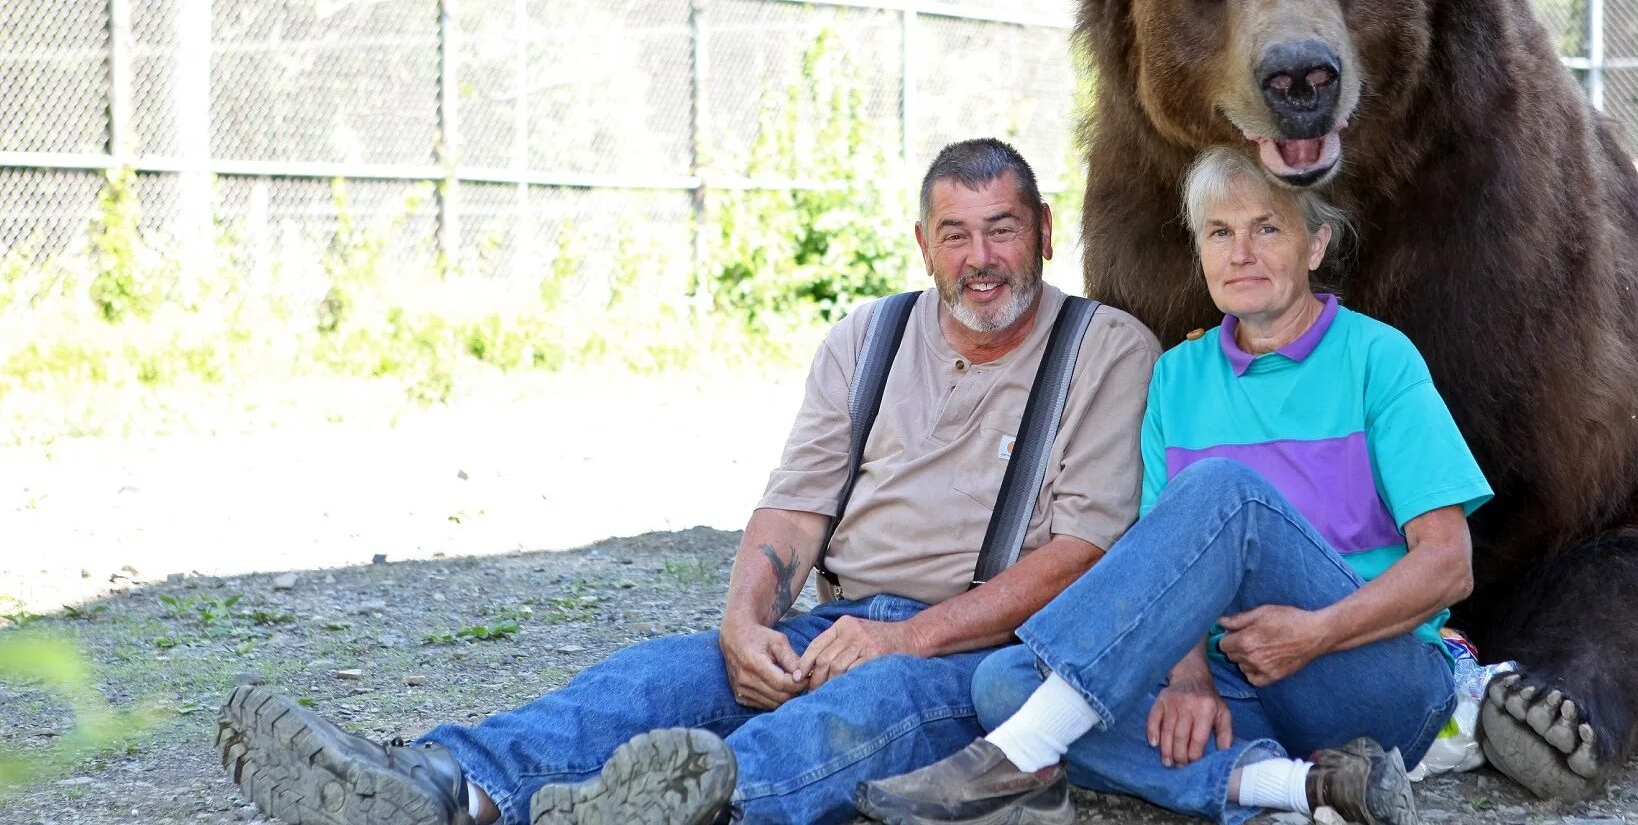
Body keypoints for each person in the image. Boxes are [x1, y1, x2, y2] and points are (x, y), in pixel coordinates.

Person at [214, 138, 1160, 825]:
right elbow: (792, 510)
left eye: (1002, 230)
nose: (981, 259)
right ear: (923, 243)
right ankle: (443, 788)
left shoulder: (1104, 347)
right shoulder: (867, 338)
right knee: (656, 678)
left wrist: (907, 638)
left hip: (975, 652)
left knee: (853, 715)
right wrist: (745, 622)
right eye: (956, 234)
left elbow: (1082, 556)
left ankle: (685, 814)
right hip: (834, 623)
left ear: (1042, 231)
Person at [857, 145, 1494, 825]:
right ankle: (1297, 787)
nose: (1240, 253)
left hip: (1369, 678)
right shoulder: (1179, 376)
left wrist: (1315, 633)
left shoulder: (1379, 357)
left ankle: (1015, 759)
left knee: (1225, 491)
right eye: (1220, 233)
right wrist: (1187, 677)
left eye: (1267, 229)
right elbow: (1165, 557)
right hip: (1237, 677)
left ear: (1316, 243)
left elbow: (1448, 565)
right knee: (1005, 682)